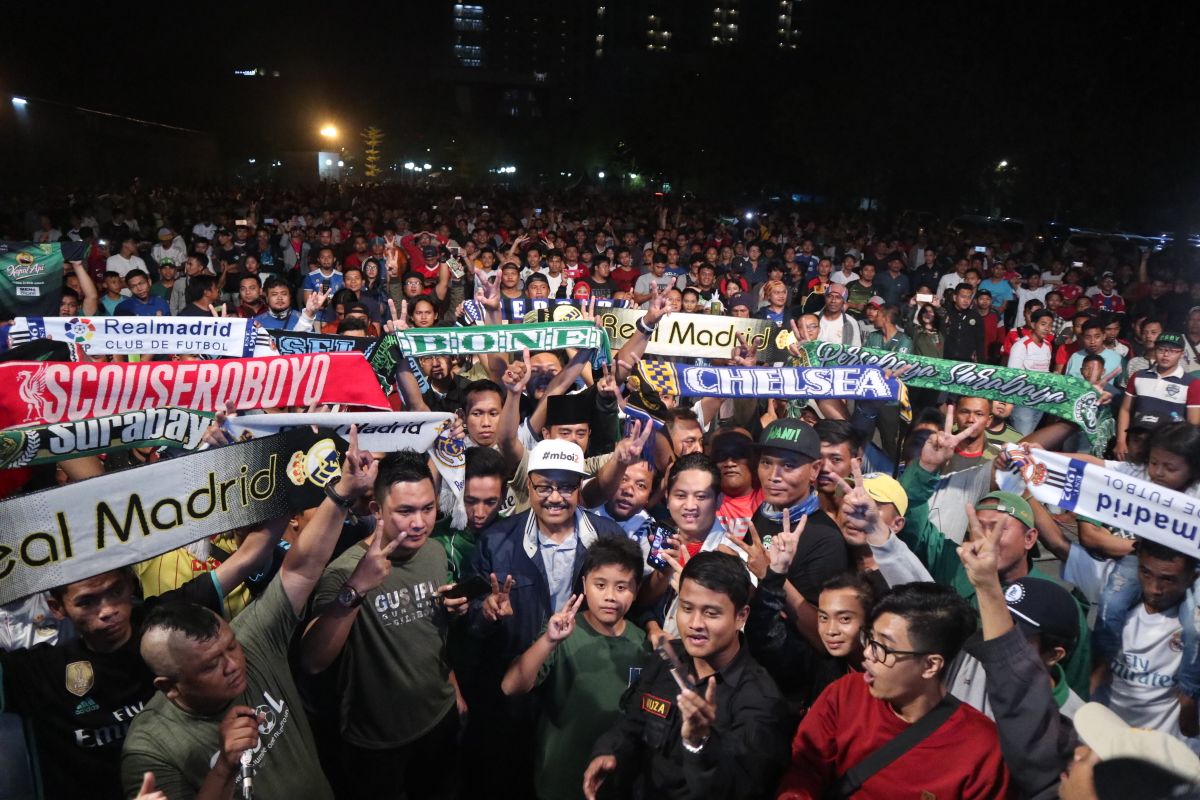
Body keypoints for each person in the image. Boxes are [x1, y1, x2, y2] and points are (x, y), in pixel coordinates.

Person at [120, 432, 379, 800]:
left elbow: (299, 571)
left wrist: (342, 492)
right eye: (210, 665)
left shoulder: (251, 642)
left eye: (230, 645)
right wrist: (224, 768)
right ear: (168, 686)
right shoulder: (152, 749)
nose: (234, 664)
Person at [0, 527, 281, 800]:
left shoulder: (167, 624)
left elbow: (250, 556)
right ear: (57, 608)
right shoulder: (39, 673)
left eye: (115, 591)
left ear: (130, 583)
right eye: (87, 602)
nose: (107, 610)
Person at [300, 451, 467, 800]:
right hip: (376, 742)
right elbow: (313, 660)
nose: (420, 522)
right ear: (377, 511)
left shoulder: (435, 552)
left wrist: (453, 688)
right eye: (405, 511)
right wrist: (357, 587)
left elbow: (432, 632)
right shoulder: (344, 571)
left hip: (439, 717)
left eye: (428, 508)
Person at [776, 582, 1014, 799]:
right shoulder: (844, 694)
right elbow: (805, 769)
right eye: (869, 638)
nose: (868, 654)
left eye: (884, 648)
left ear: (931, 665)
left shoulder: (982, 749)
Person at [584, 552, 792, 800]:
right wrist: (609, 752)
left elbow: (738, 789)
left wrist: (699, 743)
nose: (694, 623)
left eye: (711, 613)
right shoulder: (666, 659)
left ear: (741, 616)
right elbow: (632, 724)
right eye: (686, 608)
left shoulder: (761, 701)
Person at [501, 537, 649, 800]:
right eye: (600, 585)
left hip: (615, 783)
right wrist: (548, 641)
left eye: (622, 587)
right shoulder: (563, 633)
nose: (610, 597)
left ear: (636, 590)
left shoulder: (642, 644)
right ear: (584, 584)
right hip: (560, 778)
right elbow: (511, 686)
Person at [1116, 331, 1200, 459]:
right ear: (1155, 350)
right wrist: (1121, 441)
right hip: (1138, 444)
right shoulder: (1138, 376)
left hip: (1168, 449)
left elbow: (1193, 423)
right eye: (1161, 349)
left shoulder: (1192, 384)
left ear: (1182, 354)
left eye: (1172, 351)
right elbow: (1125, 409)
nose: (1166, 354)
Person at [1006, 309, 1056, 434]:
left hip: (1040, 399)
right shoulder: (1021, 345)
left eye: (1050, 325)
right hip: (1023, 400)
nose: (1047, 328)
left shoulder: (1047, 345)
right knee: (1022, 437)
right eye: (1043, 324)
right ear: (1033, 325)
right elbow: (1014, 376)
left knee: (1030, 436)